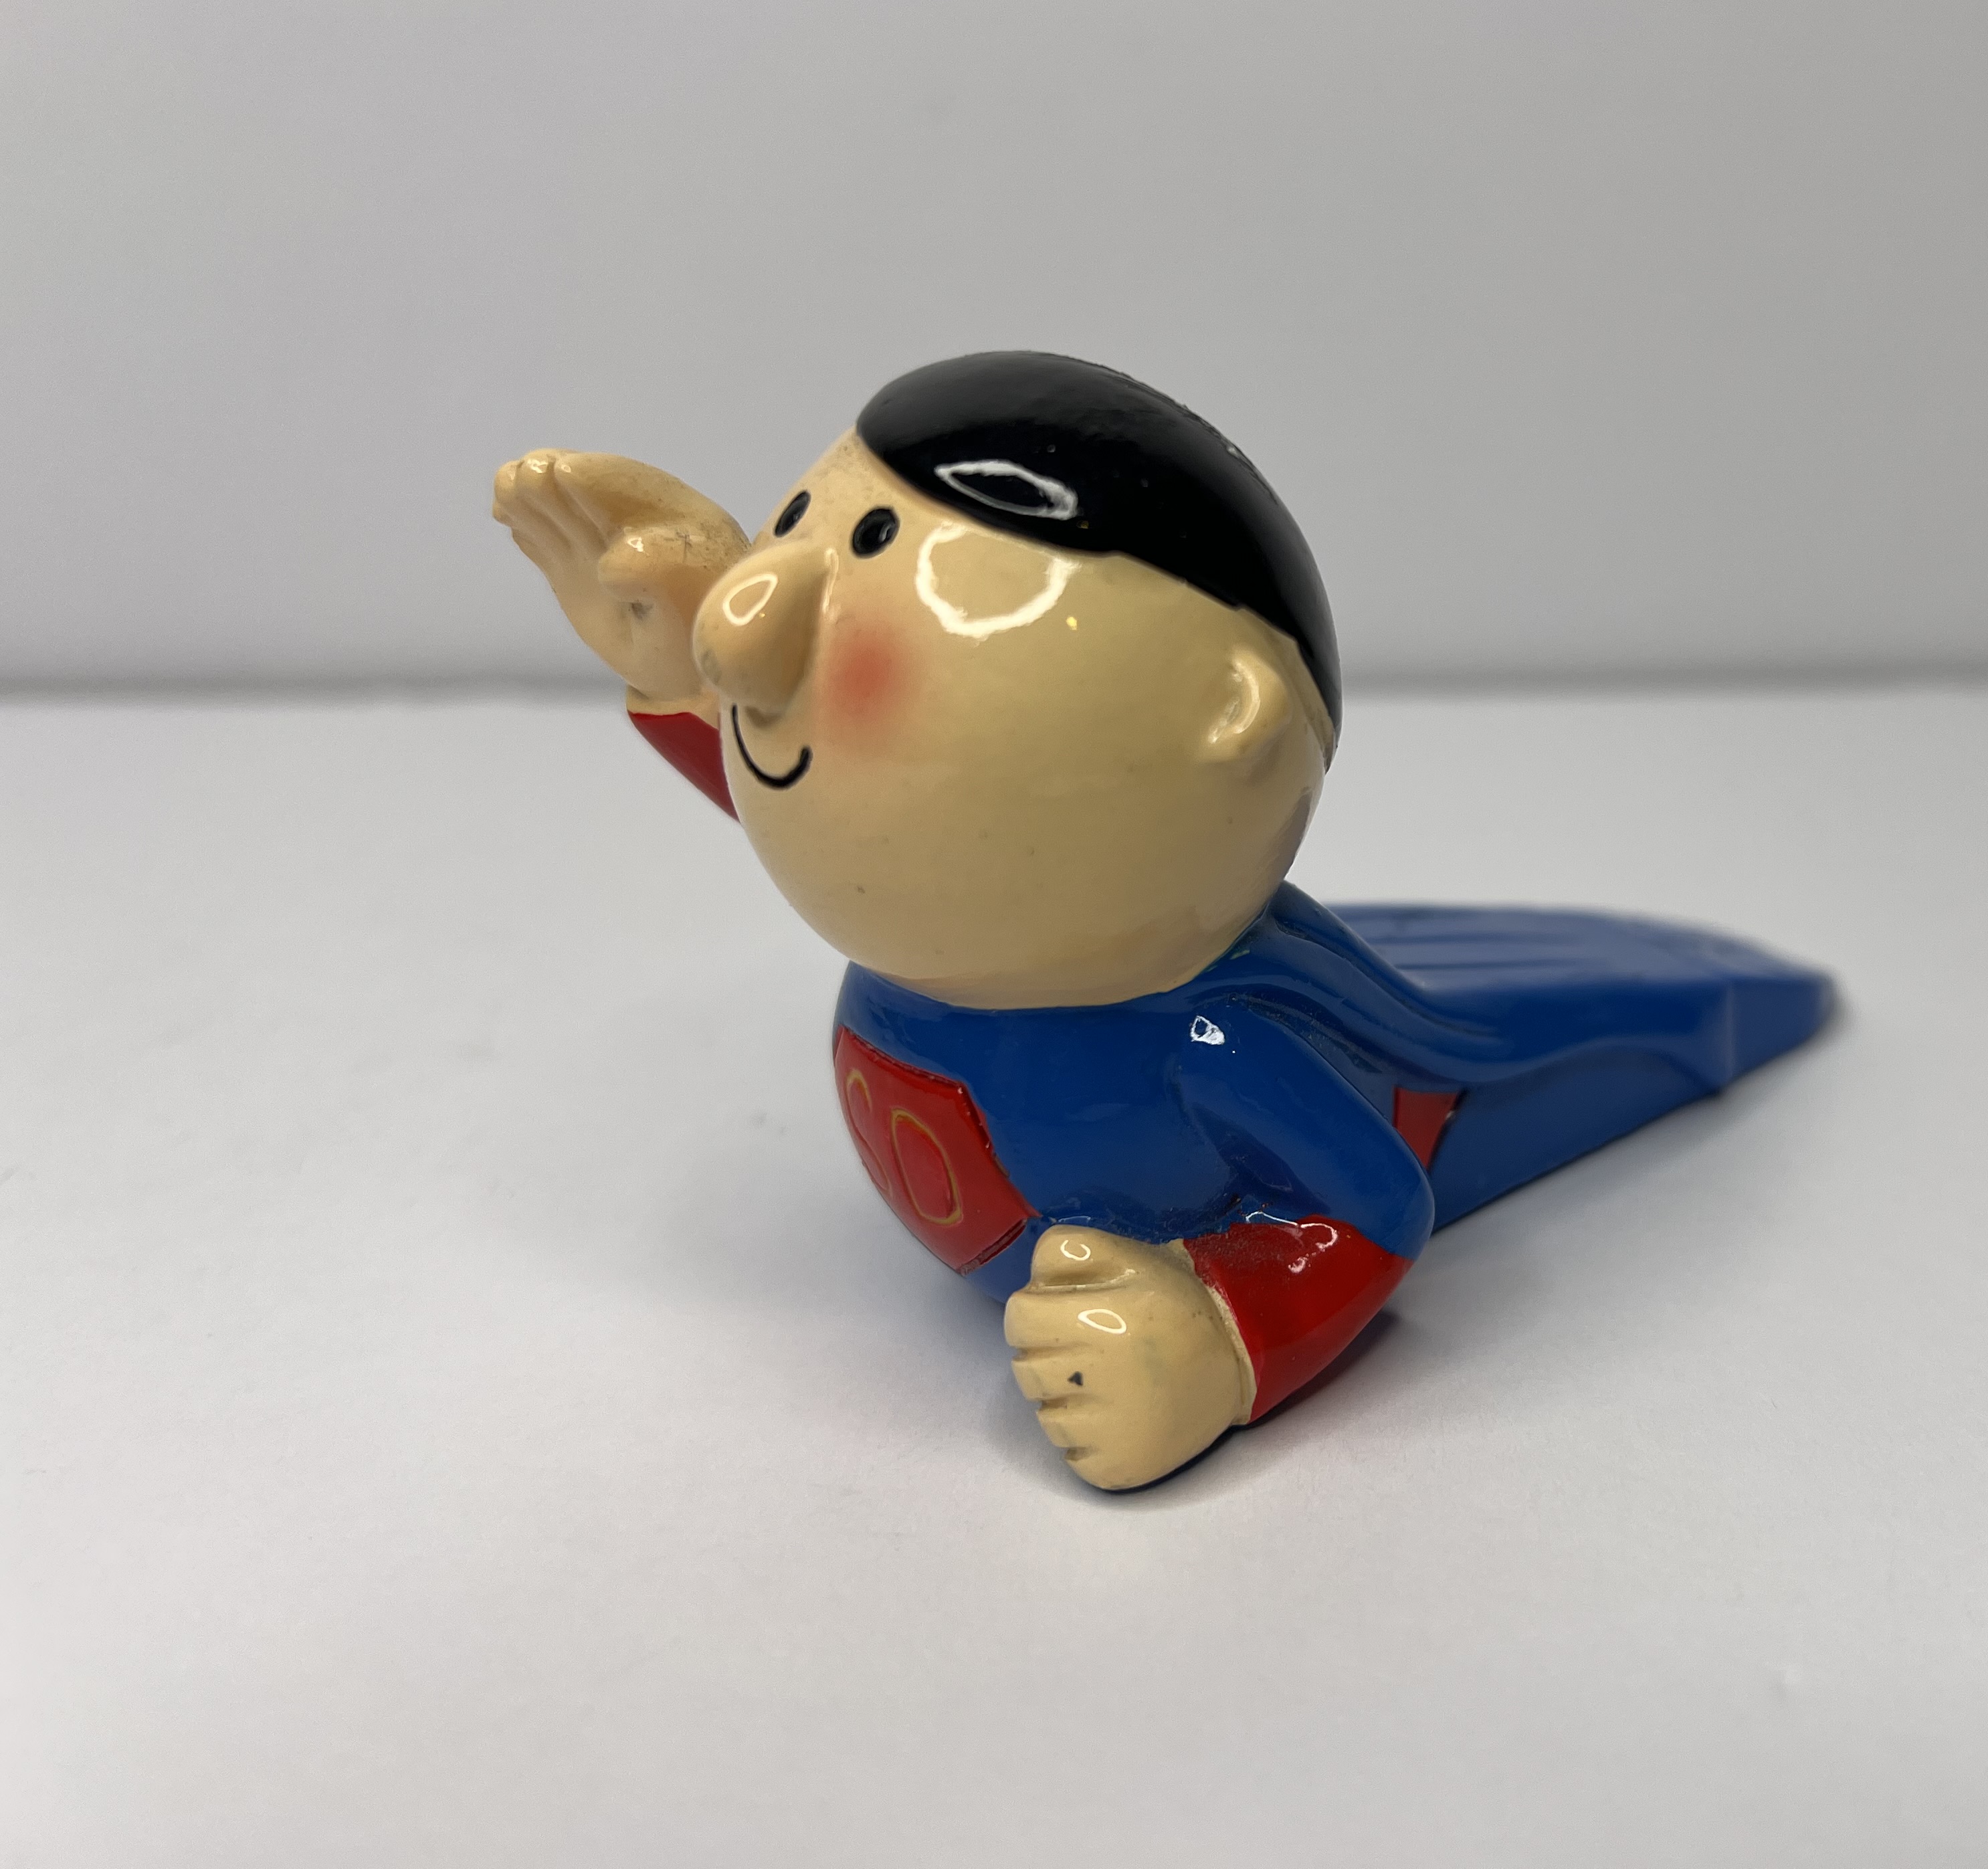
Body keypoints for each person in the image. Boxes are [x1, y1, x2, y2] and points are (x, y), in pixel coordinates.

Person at [490, 351, 1832, 1489]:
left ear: (1225, 720)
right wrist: (669, 673)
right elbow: (817, 796)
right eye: (805, 525)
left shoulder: (1211, 1044)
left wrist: (1222, 1340)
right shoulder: (938, 901)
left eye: (877, 556)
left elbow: (1374, 1216)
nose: (742, 627)